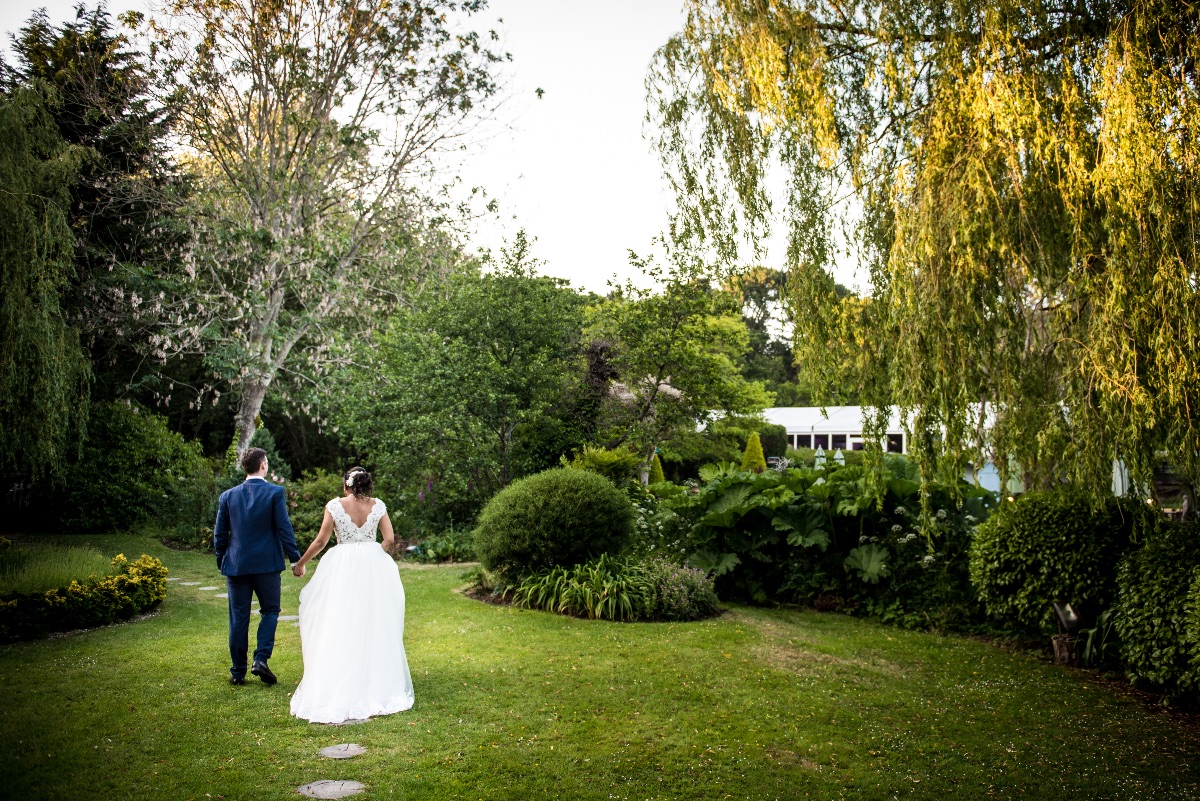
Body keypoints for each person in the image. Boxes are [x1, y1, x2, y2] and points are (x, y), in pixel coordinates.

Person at [289, 466, 415, 723]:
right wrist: (374, 552)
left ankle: (340, 677)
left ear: (346, 485)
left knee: (339, 619)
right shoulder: (378, 505)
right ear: (366, 484)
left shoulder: (335, 506)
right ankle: (377, 680)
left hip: (342, 566)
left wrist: (301, 563)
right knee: (374, 620)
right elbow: (389, 539)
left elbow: (321, 541)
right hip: (373, 566)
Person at [213, 447, 302, 686]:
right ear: (263, 465)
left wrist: (222, 560)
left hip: (236, 565)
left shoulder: (228, 496)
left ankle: (237, 672)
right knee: (270, 611)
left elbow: (220, 534)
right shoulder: (275, 492)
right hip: (267, 566)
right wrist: (295, 560)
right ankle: (260, 659)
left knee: (238, 618)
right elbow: (284, 528)